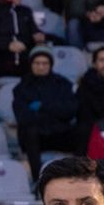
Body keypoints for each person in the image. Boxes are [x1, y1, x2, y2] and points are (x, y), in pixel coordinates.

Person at [16, 47, 79, 178]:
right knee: (29, 131)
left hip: (59, 132)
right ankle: (36, 178)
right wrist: (54, 111)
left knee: (82, 130)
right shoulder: (22, 88)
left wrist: (43, 106)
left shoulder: (62, 84)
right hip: (37, 136)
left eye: (45, 63)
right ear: (31, 64)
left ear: (50, 65)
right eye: (37, 63)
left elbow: (70, 111)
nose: (41, 67)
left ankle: (80, 176)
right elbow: (23, 116)